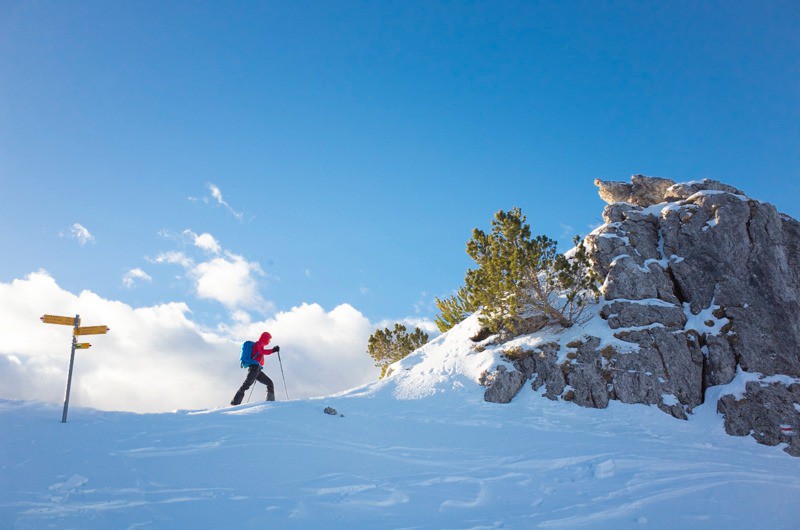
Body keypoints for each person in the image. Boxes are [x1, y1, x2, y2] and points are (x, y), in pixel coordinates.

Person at [230, 332, 280, 405]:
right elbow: (262, 352)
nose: (269, 341)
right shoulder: (258, 343)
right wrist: (273, 350)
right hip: (254, 369)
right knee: (245, 386)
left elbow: (261, 353)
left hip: (257, 369)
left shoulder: (260, 344)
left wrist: (273, 350)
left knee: (269, 383)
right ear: (265, 338)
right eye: (269, 339)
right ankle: (234, 403)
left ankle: (270, 402)